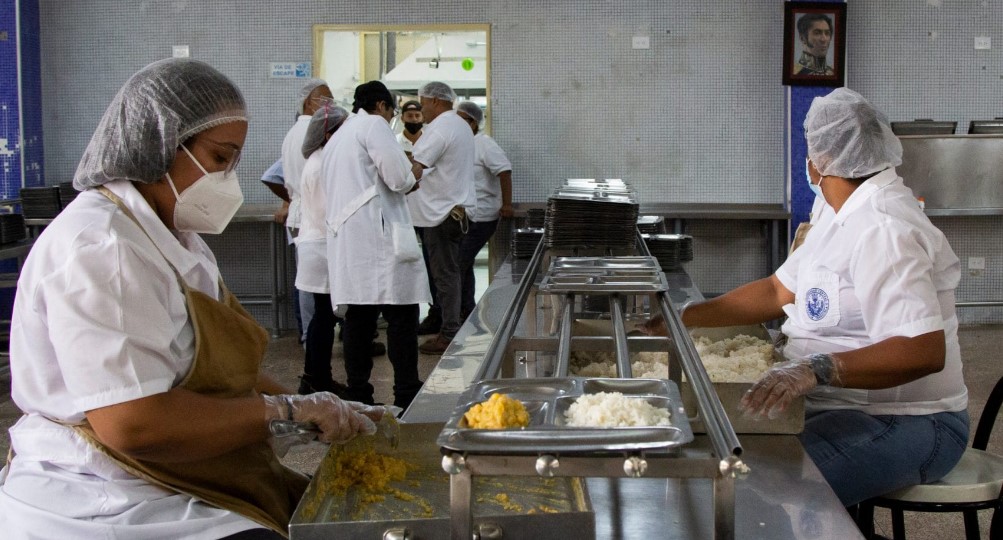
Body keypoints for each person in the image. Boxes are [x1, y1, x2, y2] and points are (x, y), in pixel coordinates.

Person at [0, 58, 385, 539]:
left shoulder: (170, 234)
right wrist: (286, 412)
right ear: (159, 143)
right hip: (109, 494)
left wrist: (314, 403)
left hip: (178, 472)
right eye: (220, 158)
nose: (226, 179)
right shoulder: (103, 247)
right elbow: (133, 425)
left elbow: (220, 374)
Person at [640, 88, 969, 509]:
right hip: (837, 407)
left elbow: (922, 350)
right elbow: (779, 291)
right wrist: (685, 316)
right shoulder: (837, 210)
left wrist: (818, 368)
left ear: (819, 161)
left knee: (759, 496)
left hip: (910, 423)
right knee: (730, 457)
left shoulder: (884, 228)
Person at [323, 81, 430, 410]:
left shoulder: (340, 134)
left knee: (358, 316)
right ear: (383, 106)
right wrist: (414, 172)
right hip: (379, 236)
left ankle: (359, 393)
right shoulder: (374, 125)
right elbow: (398, 179)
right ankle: (406, 391)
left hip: (350, 239)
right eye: (394, 111)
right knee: (402, 314)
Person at [408, 81, 475, 355]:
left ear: (436, 100)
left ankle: (449, 334)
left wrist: (395, 182)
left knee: (445, 276)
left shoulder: (442, 127)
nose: (421, 107)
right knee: (450, 274)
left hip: (441, 214)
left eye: (422, 101)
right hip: (452, 210)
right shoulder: (458, 125)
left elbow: (417, 167)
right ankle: (449, 327)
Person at [295, 105, 352, 396]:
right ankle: (315, 379)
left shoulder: (324, 160)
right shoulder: (319, 166)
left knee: (325, 317)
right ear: (328, 134)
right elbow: (326, 212)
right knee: (323, 317)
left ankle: (316, 377)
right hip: (320, 248)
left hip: (320, 246)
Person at [282, 79, 334, 344]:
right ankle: (309, 335)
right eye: (324, 101)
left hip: (300, 212)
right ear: (306, 102)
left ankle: (309, 333)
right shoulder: (310, 131)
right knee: (312, 285)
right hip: (311, 214)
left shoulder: (292, 132)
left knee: (306, 280)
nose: (329, 106)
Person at [455, 101, 513, 320]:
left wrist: (506, 204)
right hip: (466, 215)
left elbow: (504, 171)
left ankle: (463, 310)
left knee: (460, 261)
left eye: (461, 120)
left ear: (472, 123)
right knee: (463, 262)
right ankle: (466, 309)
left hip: (483, 215)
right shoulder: (461, 144)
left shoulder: (484, 144)